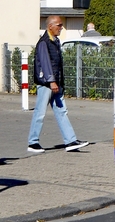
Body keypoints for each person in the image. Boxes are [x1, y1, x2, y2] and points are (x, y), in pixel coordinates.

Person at [27, 16, 90, 153]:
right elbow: (45, 63)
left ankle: (70, 141)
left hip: (55, 83)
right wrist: (52, 81)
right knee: (40, 112)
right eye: (59, 25)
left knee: (62, 111)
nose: (61, 27)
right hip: (47, 84)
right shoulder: (44, 42)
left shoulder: (54, 41)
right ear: (50, 26)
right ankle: (33, 142)